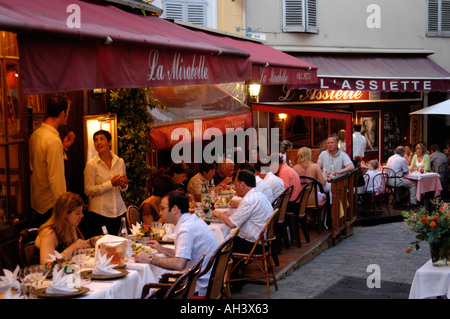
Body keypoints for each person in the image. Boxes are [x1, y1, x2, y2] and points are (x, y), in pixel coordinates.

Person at [135, 191, 218, 296]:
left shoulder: (185, 229)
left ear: (174, 209)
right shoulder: (192, 220)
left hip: (196, 287)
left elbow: (179, 264)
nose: (160, 213)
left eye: (162, 208)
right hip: (206, 280)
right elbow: (185, 254)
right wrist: (162, 249)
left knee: (147, 287)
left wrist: (149, 259)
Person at [29, 95, 75, 226]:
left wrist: (63, 146)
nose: (68, 115)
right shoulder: (52, 141)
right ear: (62, 113)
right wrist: (64, 207)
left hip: (38, 202)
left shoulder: (36, 135)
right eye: (68, 112)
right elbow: (56, 178)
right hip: (51, 205)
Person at [211, 170, 272, 254]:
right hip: (263, 241)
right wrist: (231, 214)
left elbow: (231, 224)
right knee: (227, 235)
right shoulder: (258, 194)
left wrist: (220, 214)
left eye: (236, 185)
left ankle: (222, 266)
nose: (235, 188)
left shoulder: (248, 200)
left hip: (254, 245)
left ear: (242, 185)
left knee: (220, 243)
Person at [83, 130, 129, 238]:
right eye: (96, 140)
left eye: (102, 139)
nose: (98, 143)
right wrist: (110, 184)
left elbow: (124, 188)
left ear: (109, 142)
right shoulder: (91, 165)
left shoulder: (120, 161)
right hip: (99, 213)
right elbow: (88, 190)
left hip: (119, 210)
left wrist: (123, 185)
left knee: (121, 245)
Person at [35, 192, 101, 265]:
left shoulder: (71, 227)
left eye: (81, 212)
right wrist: (73, 247)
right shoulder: (49, 233)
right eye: (77, 213)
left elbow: (76, 255)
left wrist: (90, 242)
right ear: (65, 213)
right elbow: (46, 265)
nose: (82, 215)